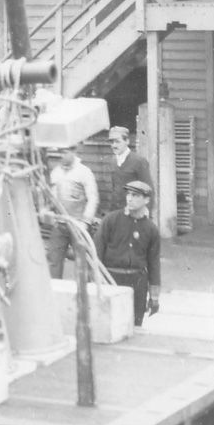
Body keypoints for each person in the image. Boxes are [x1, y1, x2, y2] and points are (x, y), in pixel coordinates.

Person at [94, 179, 161, 326]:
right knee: (109, 325)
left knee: (135, 326)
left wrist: (154, 297)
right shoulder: (111, 220)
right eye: (128, 194)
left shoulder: (151, 229)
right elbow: (96, 253)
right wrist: (95, 283)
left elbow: (154, 264)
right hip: (111, 280)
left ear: (147, 200)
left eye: (136, 195)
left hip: (137, 283)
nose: (129, 198)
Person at [46, 145, 99, 279]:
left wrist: (86, 222)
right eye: (60, 153)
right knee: (54, 260)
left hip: (79, 225)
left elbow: (93, 198)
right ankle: (55, 292)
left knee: (83, 263)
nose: (62, 156)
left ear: (74, 152)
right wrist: (49, 210)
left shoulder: (84, 172)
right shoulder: (56, 172)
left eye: (65, 152)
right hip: (60, 223)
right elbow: (52, 197)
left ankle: (83, 295)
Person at [108, 126, 152, 212]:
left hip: (134, 212)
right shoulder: (113, 161)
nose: (113, 145)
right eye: (111, 142)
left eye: (117, 141)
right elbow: (115, 189)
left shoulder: (139, 161)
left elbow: (148, 191)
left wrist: (144, 215)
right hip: (117, 212)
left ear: (127, 141)